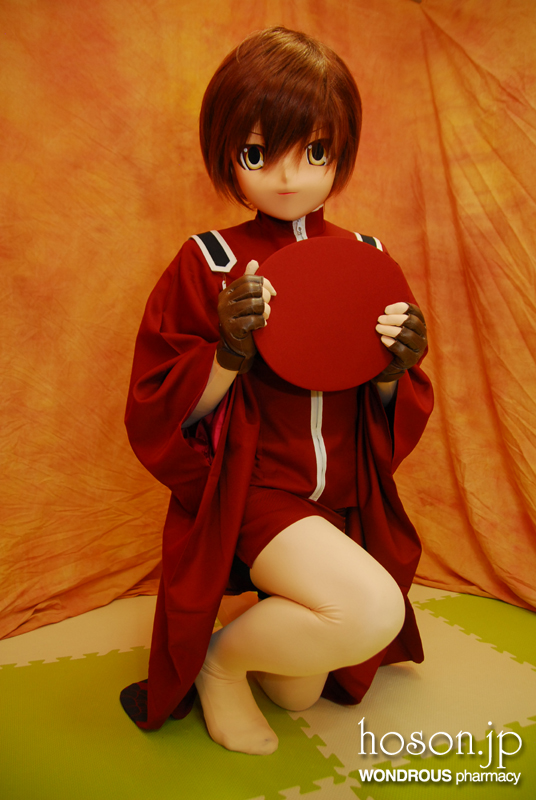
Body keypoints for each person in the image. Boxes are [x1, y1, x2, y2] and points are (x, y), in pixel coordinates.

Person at [120, 26, 434, 756]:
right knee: (370, 611)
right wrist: (227, 355)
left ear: (341, 151)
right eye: (259, 154)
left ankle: (248, 634)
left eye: (315, 152)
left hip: (341, 498)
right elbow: (159, 407)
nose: (289, 177)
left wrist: (396, 369)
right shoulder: (208, 261)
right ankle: (217, 666)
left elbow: (394, 413)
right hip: (257, 492)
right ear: (227, 152)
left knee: (298, 686)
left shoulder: (367, 257)